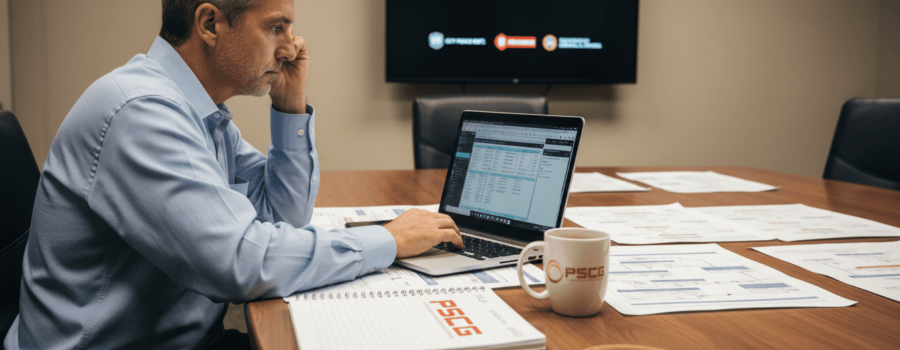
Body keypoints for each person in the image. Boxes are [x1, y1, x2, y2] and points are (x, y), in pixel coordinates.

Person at [3, 0, 463, 349]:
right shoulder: (140, 113)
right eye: (275, 28)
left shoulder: (201, 113)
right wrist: (388, 240)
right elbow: (241, 264)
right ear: (209, 24)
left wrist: (290, 105)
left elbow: (282, 216)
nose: (291, 47)